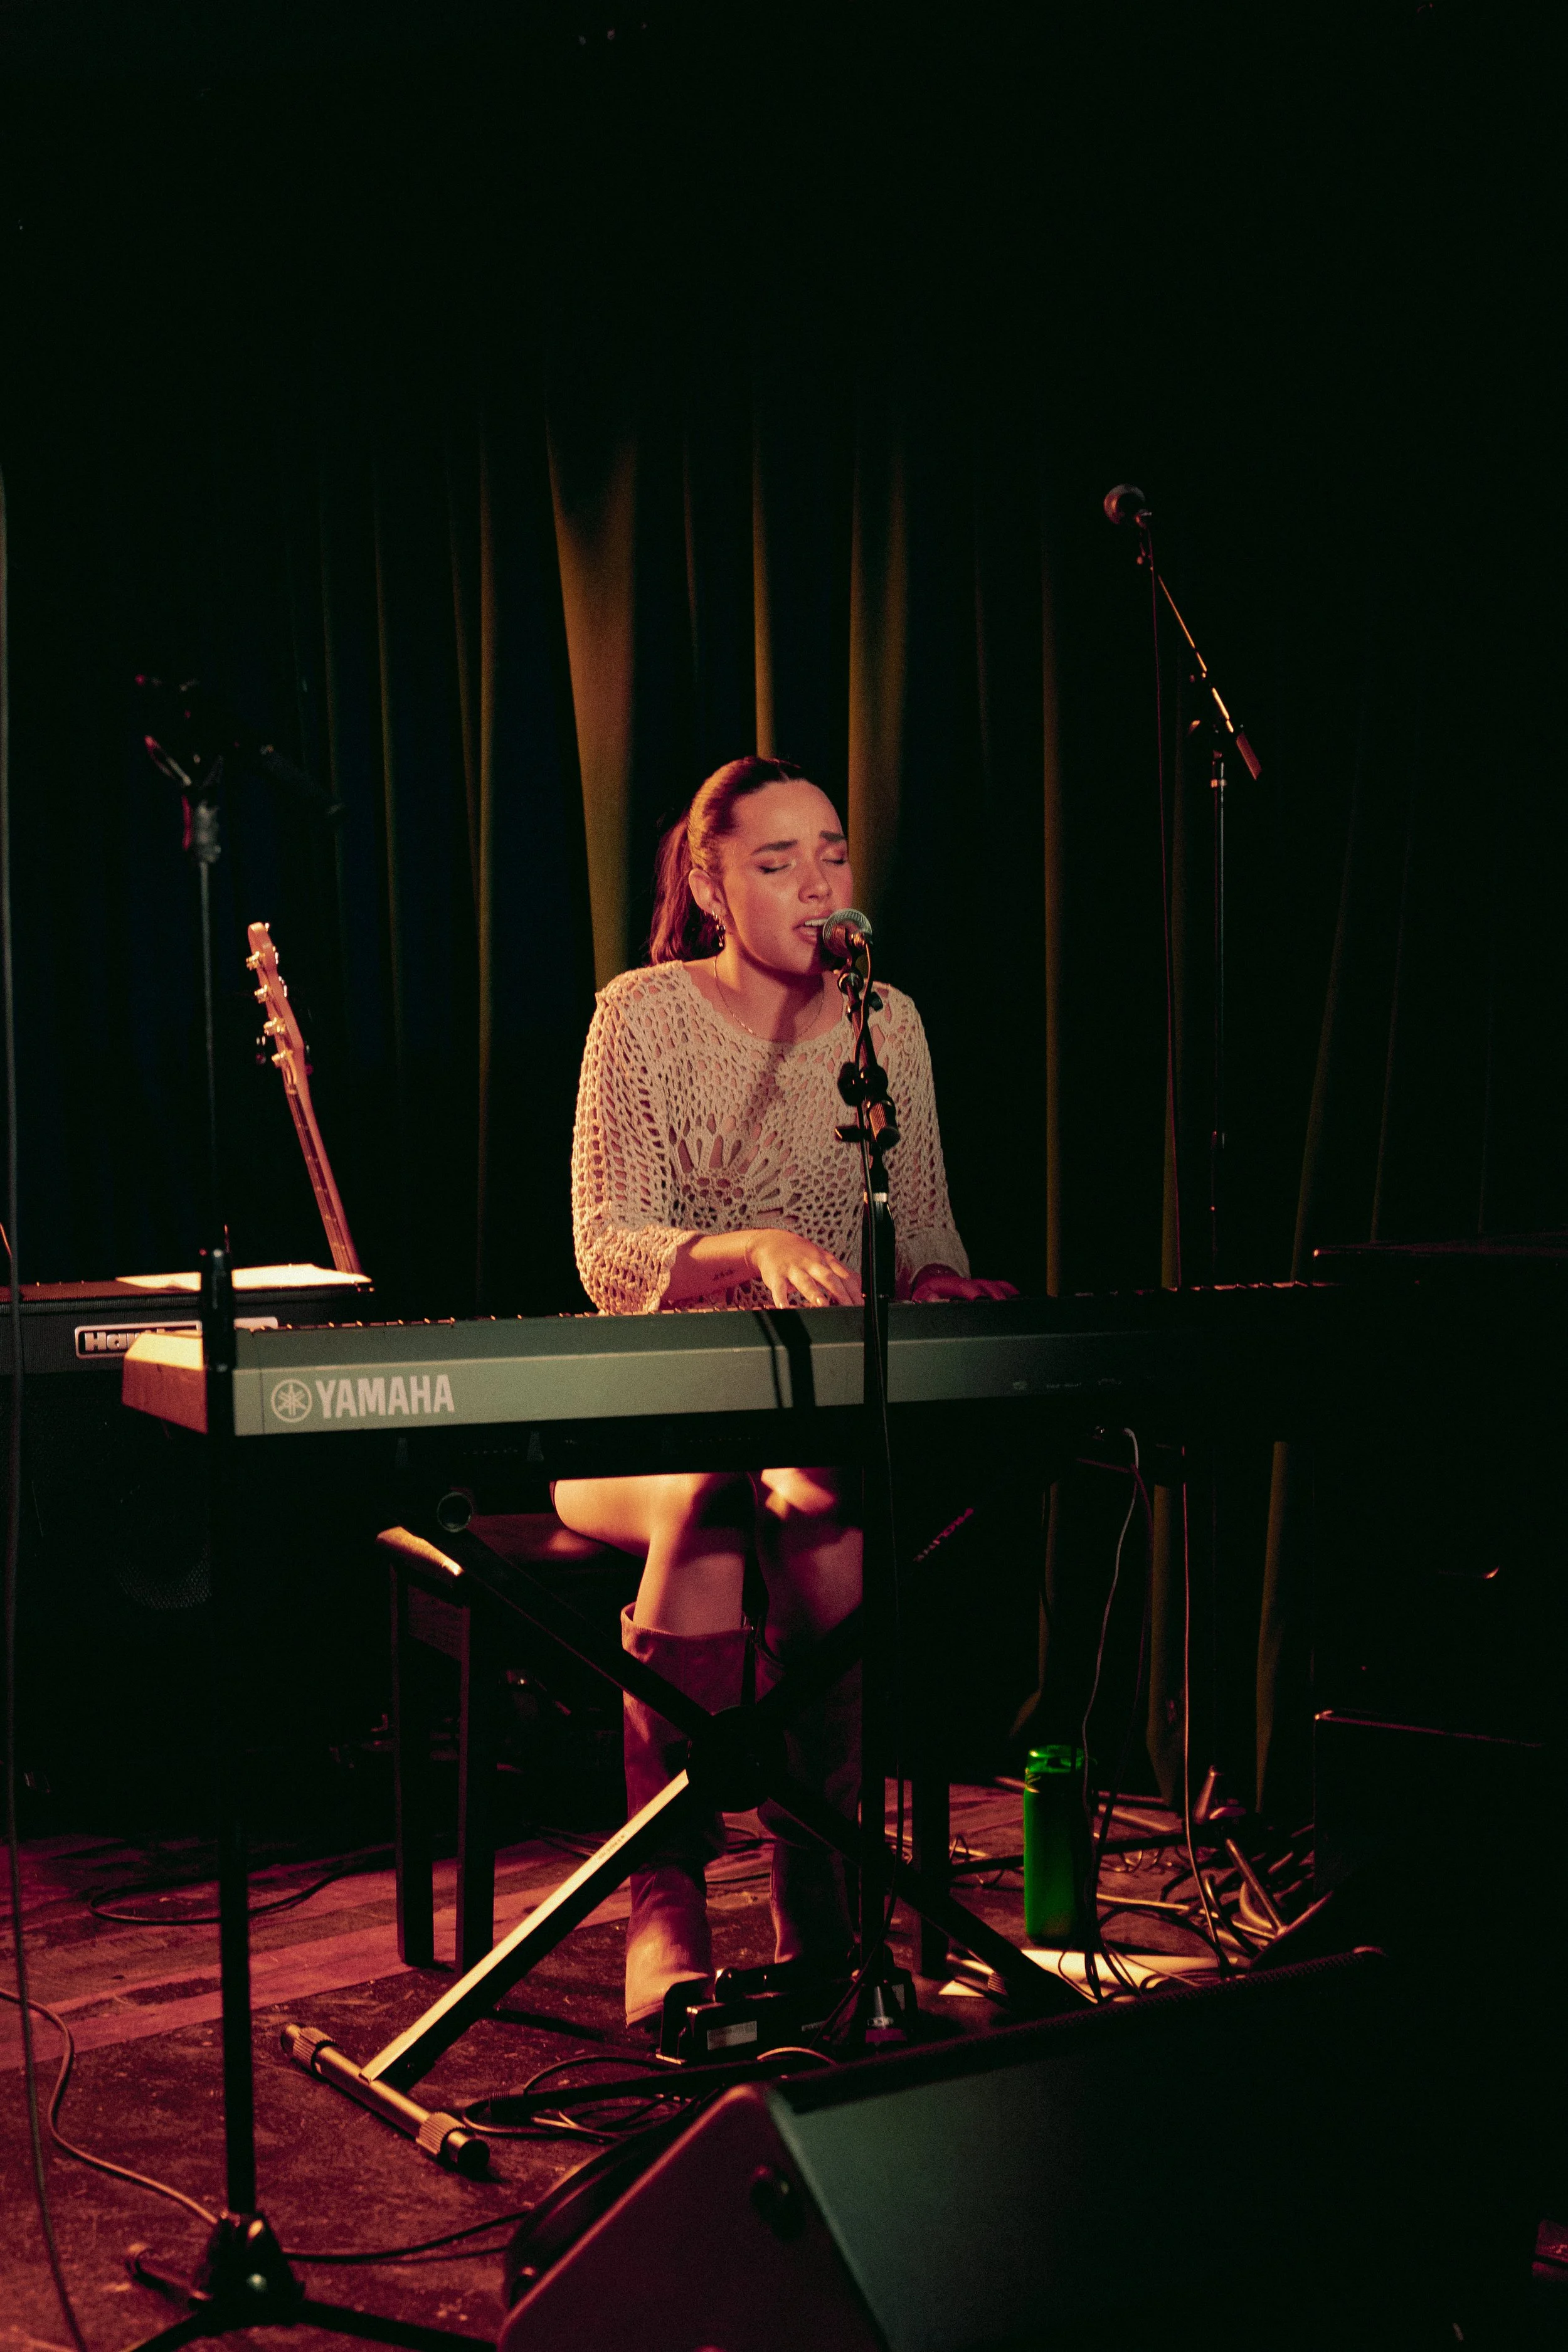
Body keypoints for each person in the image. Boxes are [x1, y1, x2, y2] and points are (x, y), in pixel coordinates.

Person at [554, 755, 1014, 2025]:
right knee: (712, 1492)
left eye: (832, 854)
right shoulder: (640, 1015)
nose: (817, 883)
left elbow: (924, 1225)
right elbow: (607, 1249)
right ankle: (666, 1897)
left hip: (805, 1418)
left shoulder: (886, 1023)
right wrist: (749, 1245)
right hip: (645, 1420)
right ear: (711, 886)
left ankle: (821, 1888)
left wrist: (937, 1281)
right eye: (777, 861)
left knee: (817, 1511)